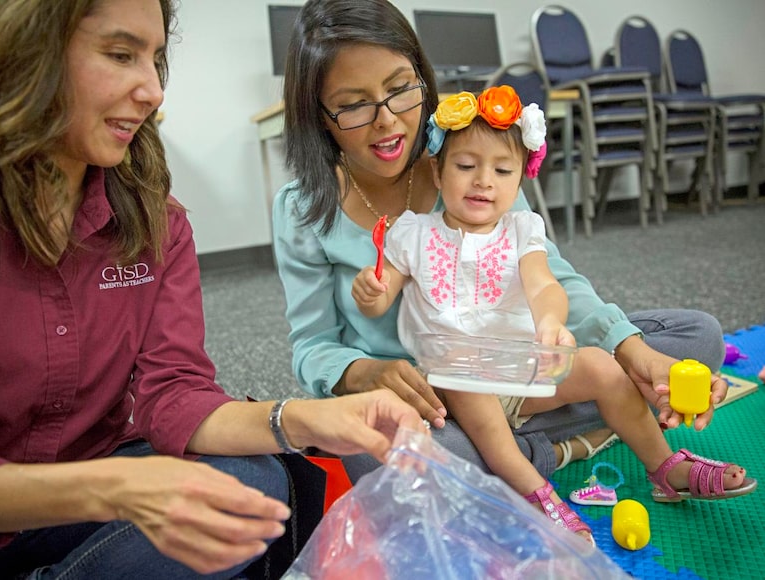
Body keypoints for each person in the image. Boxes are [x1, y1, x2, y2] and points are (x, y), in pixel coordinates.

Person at [0, 1, 428, 578]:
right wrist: (112, 488)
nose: (152, 91)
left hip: (98, 492)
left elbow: (175, 391)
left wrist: (301, 419)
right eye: (121, 55)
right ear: (19, 53)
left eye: (156, 59)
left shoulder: (156, 222)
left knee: (258, 481)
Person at [272, 0, 734, 483]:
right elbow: (313, 346)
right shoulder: (302, 208)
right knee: (389, 453)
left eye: (400, 90)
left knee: (695, 337)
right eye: (354, 105)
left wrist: (630, 349)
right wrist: (364, 371)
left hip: (515, 366)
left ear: (422, 81)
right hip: (431, 402)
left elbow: (551, 277)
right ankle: (565, 442)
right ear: (321, 115)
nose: (387, 119)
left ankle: (519, 450)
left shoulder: (468, 159)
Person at [351, 87, 756, 544]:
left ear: (521, 178)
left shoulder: (523, 228)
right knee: (444, 386)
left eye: (502, 170)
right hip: (455, 381)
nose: (484, 180)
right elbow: (382, 299)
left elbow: (545, 283)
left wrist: (550, 322)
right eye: (466, 166)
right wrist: (371, 292)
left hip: (524, 370)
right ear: (437, 171)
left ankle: (665, 467)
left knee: (605, 364)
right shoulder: (414, 233)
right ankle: (536, 494)